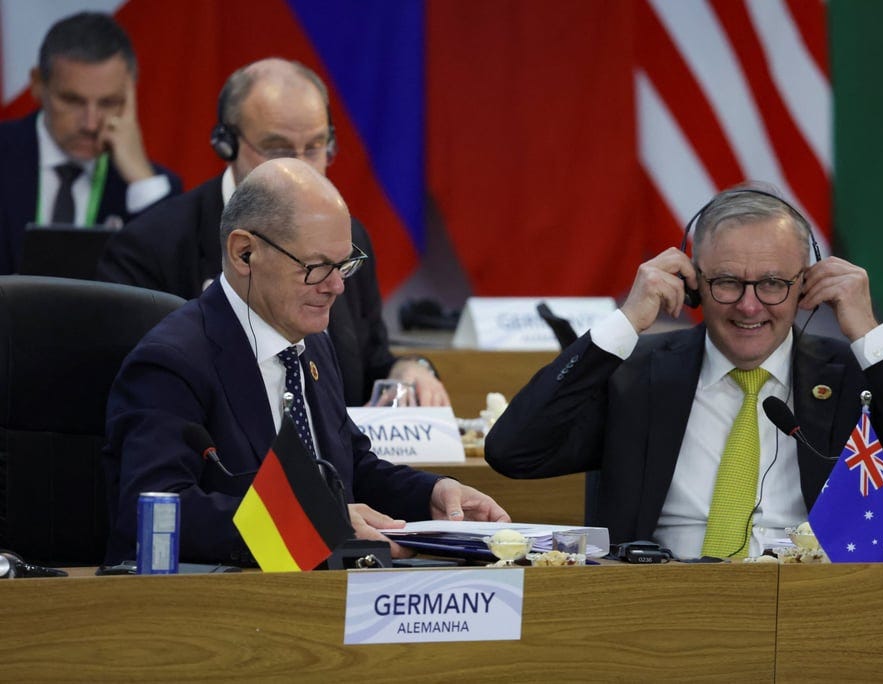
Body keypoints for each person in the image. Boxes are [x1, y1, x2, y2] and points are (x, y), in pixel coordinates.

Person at [485, 186, 883, 560]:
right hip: (660, 614)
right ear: (693, 282)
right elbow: (515, 452)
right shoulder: (637, 376)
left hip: (819, 607)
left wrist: (869, 332)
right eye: (726, 282)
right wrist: (628, 320)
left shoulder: (855, 378)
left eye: (772, 283)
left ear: (805, 286)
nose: (749, 306)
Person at [103, 158, 508, 566]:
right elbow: (156, 512)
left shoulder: (311, 343)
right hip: (218, 607)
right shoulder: (172, 361)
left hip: (324, 594)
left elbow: (348, 467)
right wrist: (315, 525)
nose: (336, 287)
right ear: (245, 253)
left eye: (344, 265)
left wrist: (431, 493)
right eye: (316, 268)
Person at [96, 57, 446, 406]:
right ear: (225, 144)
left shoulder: (349, 239)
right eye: (278, 149)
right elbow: (142, 392)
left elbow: (370, 364)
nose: (299, 165)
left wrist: (408, 369)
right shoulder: (149, 247)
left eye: (314, 147)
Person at [0, 11, 180, 274]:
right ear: (38, 85)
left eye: (109, 103)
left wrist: (141, 179)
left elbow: (174, 285)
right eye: (72, 101)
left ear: (130, 96)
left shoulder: (151, 189)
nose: (91, 124)